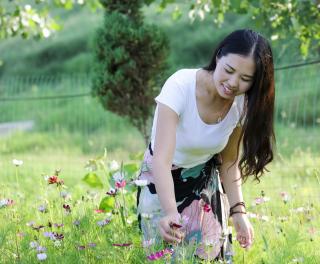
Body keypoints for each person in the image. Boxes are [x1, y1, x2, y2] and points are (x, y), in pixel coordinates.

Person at [137, 29, 275, 262]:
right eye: (229, 71)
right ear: (218, 56)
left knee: (209, 256)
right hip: (161, 179)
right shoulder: (180, 85)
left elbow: (229, 161)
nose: (233, 83)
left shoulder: (241, 104)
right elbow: (161, 159)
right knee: (163, 256)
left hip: (204, 181)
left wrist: (238, 211)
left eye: (245, 79)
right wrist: (171, 211)